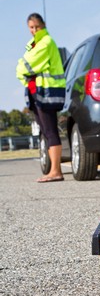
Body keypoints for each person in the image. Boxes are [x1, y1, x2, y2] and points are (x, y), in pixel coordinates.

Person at [16, 13, 66, 183]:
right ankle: (53, 170)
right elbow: (24, 67)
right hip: (36, 92)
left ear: (43, 25)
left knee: (50, 130)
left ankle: (56, 171)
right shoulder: (33, 43)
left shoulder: (45, 42)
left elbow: (27, 64)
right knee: (45, 131)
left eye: (37, 26)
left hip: (47, 93)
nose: (34, 30)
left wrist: (21, 66)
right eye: (31, 27)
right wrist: (22, 67)